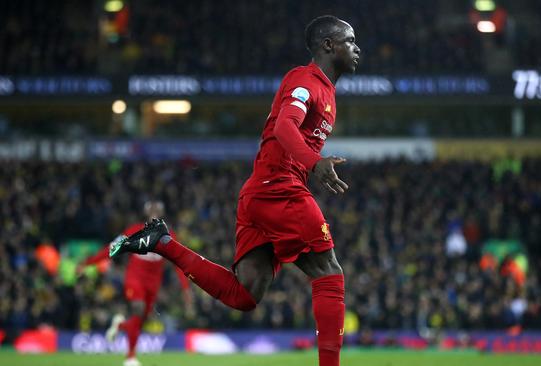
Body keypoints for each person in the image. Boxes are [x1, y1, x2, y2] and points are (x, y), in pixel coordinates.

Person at [110, 15, 360, 366]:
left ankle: (164, 243)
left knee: (244, 295)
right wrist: (313, 162)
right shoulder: (305, 80)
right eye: (349, 40)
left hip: (260, 192)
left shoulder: (326, 91)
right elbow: (286, 126)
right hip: (279, 187)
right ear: (328, 45)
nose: (357, 47)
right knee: (329, 272)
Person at [78, 200, 193, 366]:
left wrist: (186, 290)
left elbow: (179, 265)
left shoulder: (170, 237)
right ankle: (130, 357)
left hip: (153, 284)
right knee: (138, 309)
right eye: (151, 209)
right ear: (146, 212)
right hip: (135, 278)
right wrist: (87, 263)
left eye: (157, 209)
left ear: (162, 213)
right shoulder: (134, 231)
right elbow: (111, 248)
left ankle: (120, 326)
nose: (154, 212)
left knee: (139, 322)